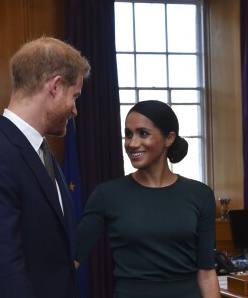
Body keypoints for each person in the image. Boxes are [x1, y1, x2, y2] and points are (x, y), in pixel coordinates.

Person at [0, 36, 90, 298]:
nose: (75, 110)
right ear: (55, 86)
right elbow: (4, 277)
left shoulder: (40, 151)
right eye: (74, 96)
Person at [75, 100, 220, 298]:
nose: (132, 143)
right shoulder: (106, 195)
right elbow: (71, 261)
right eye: (128, 134)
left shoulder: (200, 195)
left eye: (143, 133)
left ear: (169, 139)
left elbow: (206, 274)